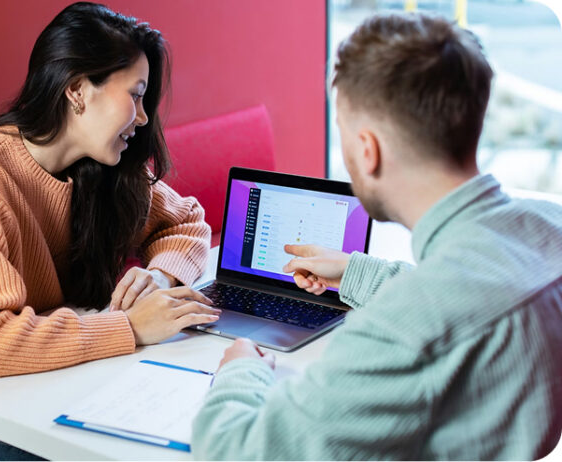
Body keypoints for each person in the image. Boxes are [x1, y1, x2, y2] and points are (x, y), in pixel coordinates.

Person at [192, 12, 562, 460]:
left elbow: (234, 450)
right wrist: (354, 271)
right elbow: (472, 287)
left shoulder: (401, 332)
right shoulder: (549, 226)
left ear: (368, 151)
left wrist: (240, 372)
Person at [0, 2, 219, 460]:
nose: (144, 117)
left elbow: (187, 221)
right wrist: (129, 326)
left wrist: (160, 278)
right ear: (77, 91)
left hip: (54, 379)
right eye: (136, 94)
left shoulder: (104, 171)